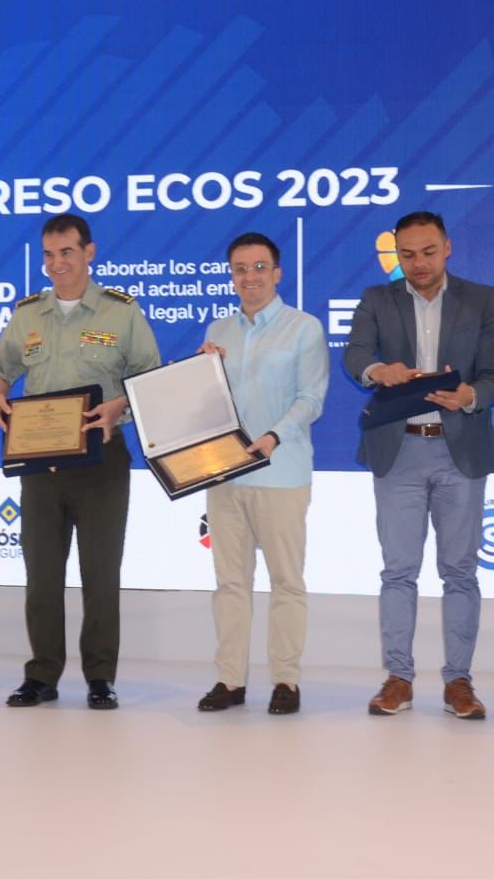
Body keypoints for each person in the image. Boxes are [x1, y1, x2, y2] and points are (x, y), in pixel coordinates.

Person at [0, 213, 160, 710]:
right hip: (40, 465)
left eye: (66, 252)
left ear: (89, 252)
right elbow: (1, 370)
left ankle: (100, 676)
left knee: (100, 575)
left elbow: (149, 376)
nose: (56, 263)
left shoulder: (120, 313)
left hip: (102, 459)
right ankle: (41, 675)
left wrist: (119, 405)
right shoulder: (27, 315)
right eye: (48, 254)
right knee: (41, 575)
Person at [343, 211, 494, 720]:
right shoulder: (376, 299)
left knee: (460, 571)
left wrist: (471, 396)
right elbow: (355, 357)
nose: (418, 263)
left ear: (447, 248)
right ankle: (398, 678)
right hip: (399, 452)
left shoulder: (482, 299)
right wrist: (378, 371)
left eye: (428, 252)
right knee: (399, 571)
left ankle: (459, 681)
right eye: (407, 254)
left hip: (461, 451)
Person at [195, 232, 327, 716]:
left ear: (277, 273)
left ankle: (286, 682)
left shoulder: (304, 328)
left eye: (258, 267)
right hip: (225, 477)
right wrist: (201, 373)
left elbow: (311, 399)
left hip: (281, 473)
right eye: (240, 269)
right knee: (230, 584)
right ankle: (230, 680)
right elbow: (208, 403)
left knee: (286, 582)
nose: (248, 277)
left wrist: (272, 437)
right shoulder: (219, 330)